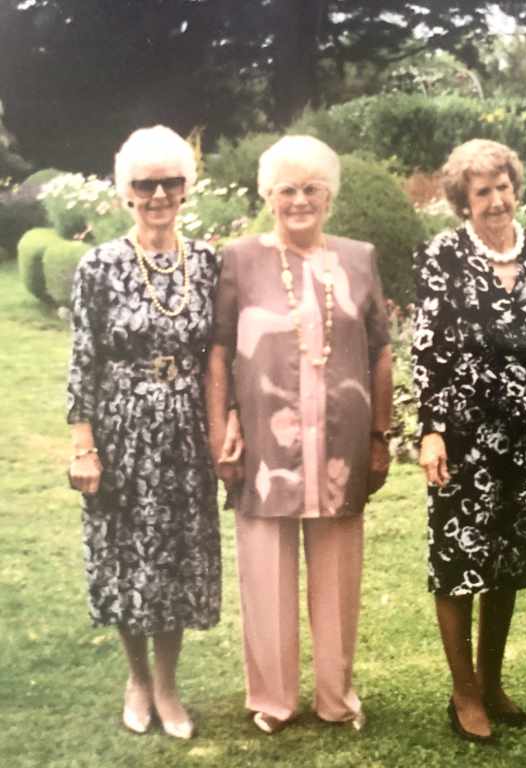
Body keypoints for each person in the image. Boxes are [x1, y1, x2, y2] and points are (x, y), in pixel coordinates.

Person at [206, 135, 393, 735]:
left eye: (312, 188)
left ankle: (337, 697)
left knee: (338, 572)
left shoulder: (359, 258)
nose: (299, 200)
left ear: (329, 196)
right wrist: (219, 429)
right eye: (286, 189)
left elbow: (381, 351)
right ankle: (273, 699)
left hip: (341, 440)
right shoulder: (240, 259)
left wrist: (381, 435)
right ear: (268, 196)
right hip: (266, 441)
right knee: (265, 568)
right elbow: (218, 351)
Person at [66, 125, 220, 740]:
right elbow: (83, 361)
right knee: (127, 559)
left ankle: (168, 685)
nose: (159, 195)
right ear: (125, 191)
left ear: (187, 187)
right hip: (121, 430)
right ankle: (136, 679)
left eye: (170, 182)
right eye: (145, 184)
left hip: (186, 431)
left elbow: (220, 355)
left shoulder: (206, 262)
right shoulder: (99, 265)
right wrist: (84, 447)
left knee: (176, 556)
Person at [413, 139, 526, 743]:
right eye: (482, 192)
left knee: (506, 557)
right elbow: (427, 347)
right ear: (463, 201)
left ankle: (493, 683)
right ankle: (464, 691)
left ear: (515, 188)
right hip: (463, 432)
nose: (496, 200)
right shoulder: (442, 255)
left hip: (522, 430)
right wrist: (431, 430)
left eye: (503, 187)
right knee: (458, 557)